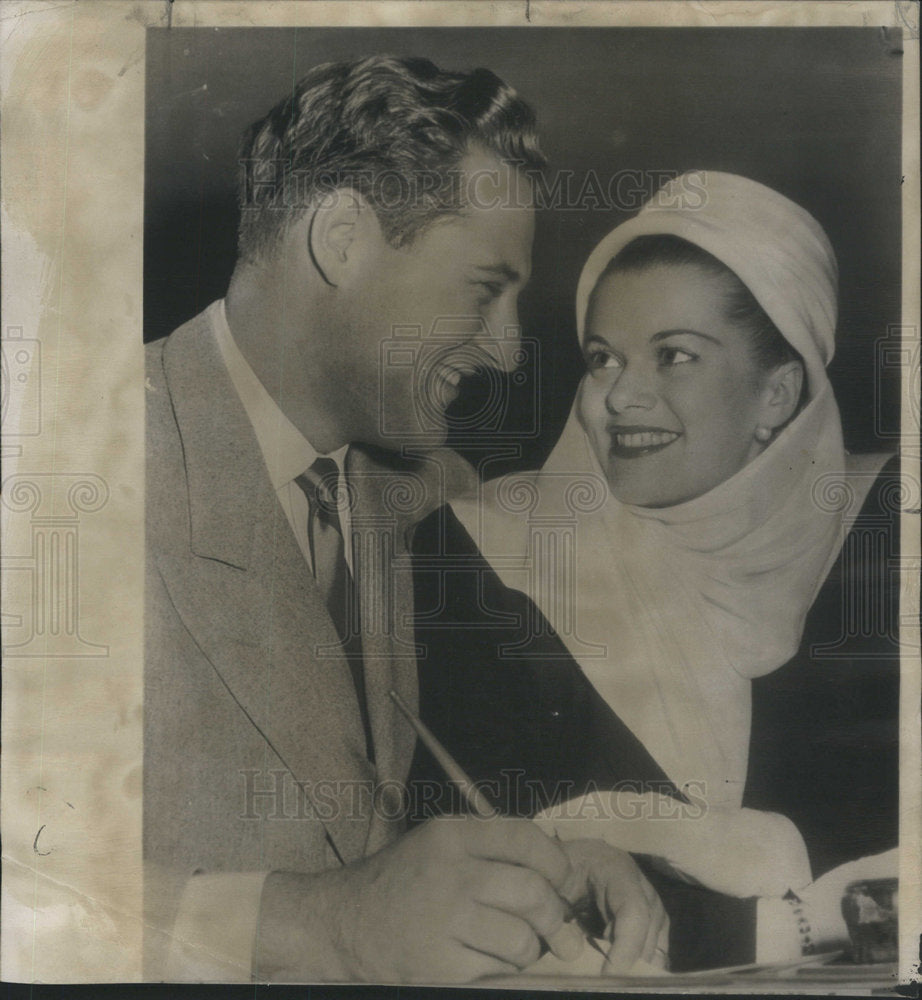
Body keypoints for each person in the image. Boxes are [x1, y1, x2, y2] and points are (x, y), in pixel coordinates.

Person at [144, 54, 667, 984]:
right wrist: (317, 926)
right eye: (482, 289)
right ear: (342, 237)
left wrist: (550, 866)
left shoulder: (433, 491)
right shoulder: (64, 457)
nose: (509, 351)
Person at [410, 171, 900, 970]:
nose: (618, 397)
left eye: (674, 356)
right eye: (604, 359)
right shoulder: (484, 555)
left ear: (778, 393)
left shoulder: (894, 533)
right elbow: (480, 885)